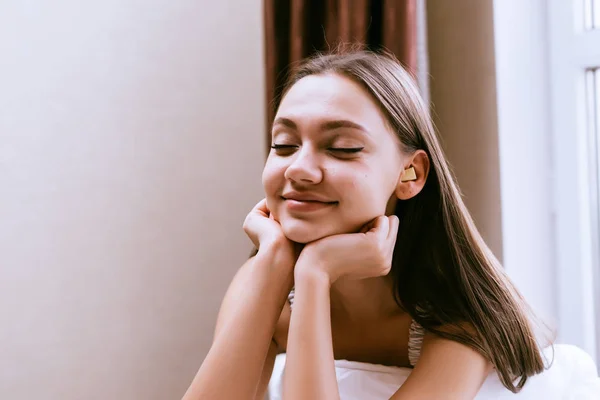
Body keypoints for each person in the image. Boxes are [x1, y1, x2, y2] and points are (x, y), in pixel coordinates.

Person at [182, 50, 551, 400]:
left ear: (410, 173)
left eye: (342, 148)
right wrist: (275, 259)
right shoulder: (264, 279)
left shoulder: (464, 318)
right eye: (284, 145)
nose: (298, 169)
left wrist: (314, 274)